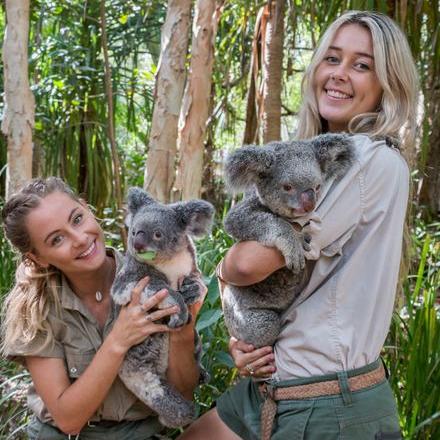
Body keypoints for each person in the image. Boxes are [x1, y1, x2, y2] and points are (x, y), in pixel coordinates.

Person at [179, 10, 418, 440]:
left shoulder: (365, 156)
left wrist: (226, 270)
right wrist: (246, 333)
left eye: (362, 65)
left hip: (324, 399)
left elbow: (247, 265)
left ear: (387, 85)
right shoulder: (309, 156)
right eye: (332, 58)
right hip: (279, 381)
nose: (340, 74)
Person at [1, 177, 206, 439]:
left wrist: (182, 330)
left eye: (77, 219)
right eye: (56, 240)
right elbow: (68, 420)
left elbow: (183, 393)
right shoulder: (35, 310)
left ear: (86, 208)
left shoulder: (156, 278)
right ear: (38, 258)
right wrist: (119, 339)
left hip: (143, 433)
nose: (79, 239)